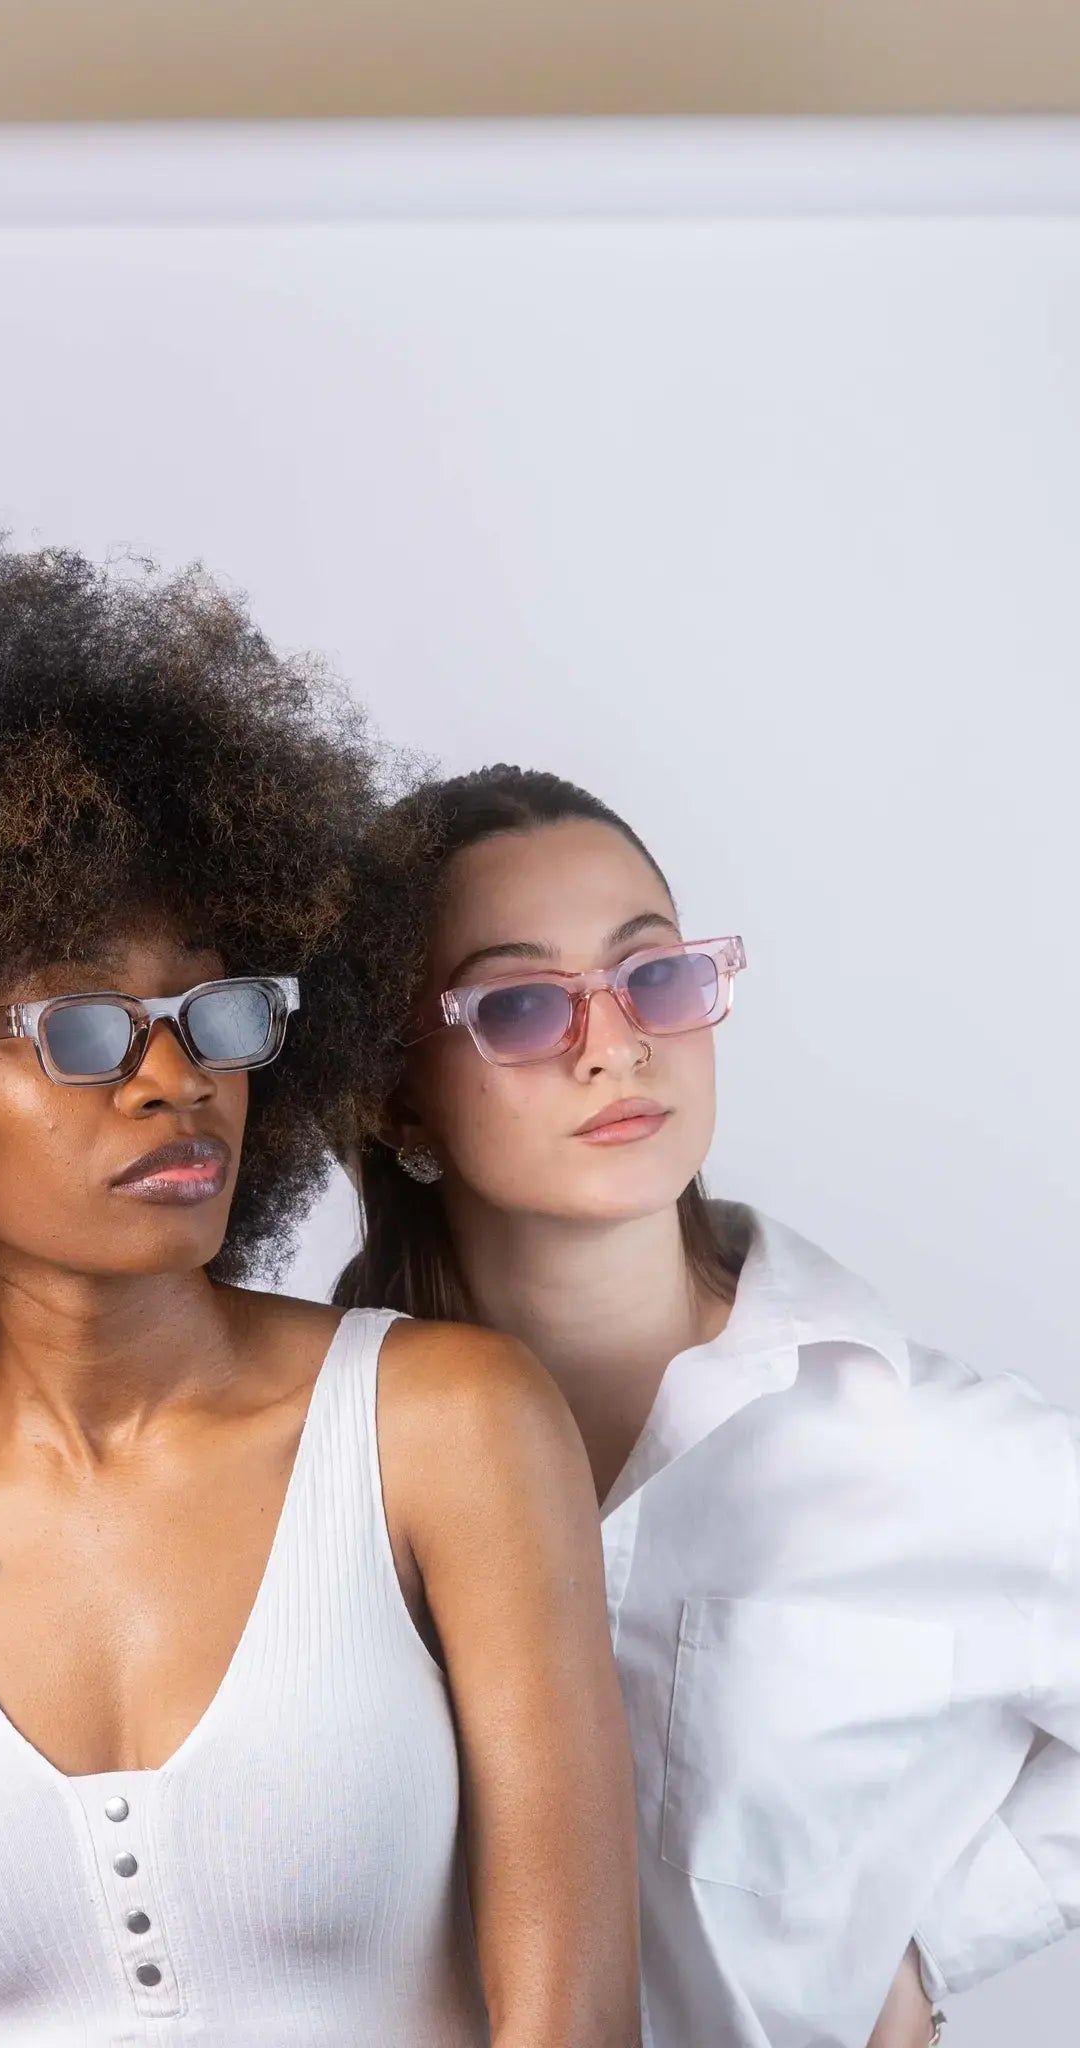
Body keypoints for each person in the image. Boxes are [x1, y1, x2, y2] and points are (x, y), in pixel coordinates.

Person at [0, 546, 641, 2047]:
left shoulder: (447, 1425)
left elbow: (575, 2023)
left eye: (215, 1013)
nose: (179, 1080)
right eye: (87, 1029)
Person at [340, 764, 1079, 2048]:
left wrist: (925, 1947)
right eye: (521, 1004)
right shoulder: (308, 1451)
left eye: (653, 976)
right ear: (394, 1095)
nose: (613, 1042)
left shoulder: (936, 1450)